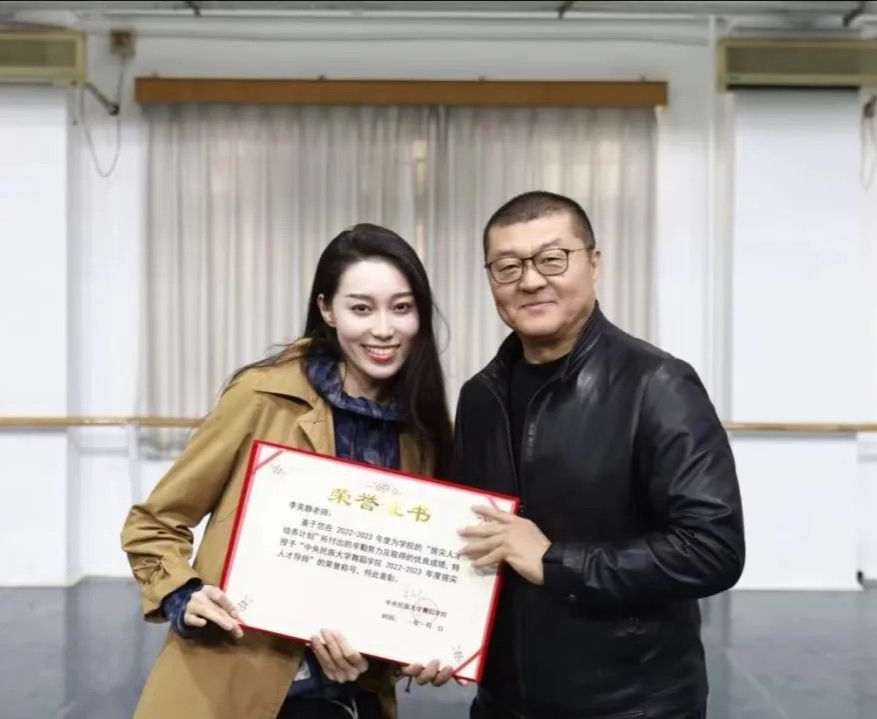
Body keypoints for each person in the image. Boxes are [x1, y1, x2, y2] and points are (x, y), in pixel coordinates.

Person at [121, 223, 456, 719]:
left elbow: (405, 578)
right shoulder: (262, 396)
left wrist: (414, 646)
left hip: (348, 697)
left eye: (401, 308)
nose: (384, 329)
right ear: (327, 310)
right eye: (361, 308)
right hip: (232, 684)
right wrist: (182, 595)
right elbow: (153, 524)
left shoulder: (423, 429)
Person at [452, 191, 745, 718]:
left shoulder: (658, 385)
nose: (530, 280)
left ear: (594, 262)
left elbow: (712, 549)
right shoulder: (480, 397)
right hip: (503, 702)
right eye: (508, 266)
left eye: (552, 259)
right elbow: (471, 535)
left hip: (630, 704)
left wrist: (555, 562)